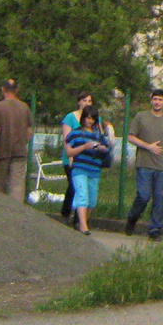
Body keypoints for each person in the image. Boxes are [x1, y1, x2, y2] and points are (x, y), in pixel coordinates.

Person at [125, 88, 163, 239]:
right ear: (151, 101)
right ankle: (132, 217)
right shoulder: (141, 117)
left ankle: (155, 230)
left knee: (159, 199)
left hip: (161, 166)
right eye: (155, 99)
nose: (157, 102)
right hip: (144, 164)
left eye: (160, 100)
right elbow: (131, 137)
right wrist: (148, 146)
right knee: (143, 195)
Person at [63, 103, 110, 235]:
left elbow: (106, 148)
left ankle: (84, 221)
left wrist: (101, 148)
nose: (89, 121)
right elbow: (69, 152)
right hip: (79, 168)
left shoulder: (98, 135)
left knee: (92, 200)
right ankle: (83, 226)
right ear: (83, 118)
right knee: (82, 195)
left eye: (92, 119)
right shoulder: (75, 133)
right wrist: (84, 147)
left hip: (94, 169)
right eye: (87, 118)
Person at [0, 78, 34, 197]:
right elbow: (30, 131)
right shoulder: (25, 107)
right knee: (17, 186)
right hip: (19, 152)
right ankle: (16, 213)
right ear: (17, 90)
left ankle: (0, 212)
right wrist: (23, 141)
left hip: (0, 152)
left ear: (3, 89)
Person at [59, 91, 95, 220]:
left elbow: (98, 136)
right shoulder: (70, 118)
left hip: (88, 159)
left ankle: (78, 219)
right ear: (79, 102)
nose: (87, 103)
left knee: (85, 189)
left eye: (89, 101)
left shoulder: (93, 118)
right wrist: (70, 158)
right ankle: (66, 212)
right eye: (84, 100)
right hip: (73, 157)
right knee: (74, 186)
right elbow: (67, 139)